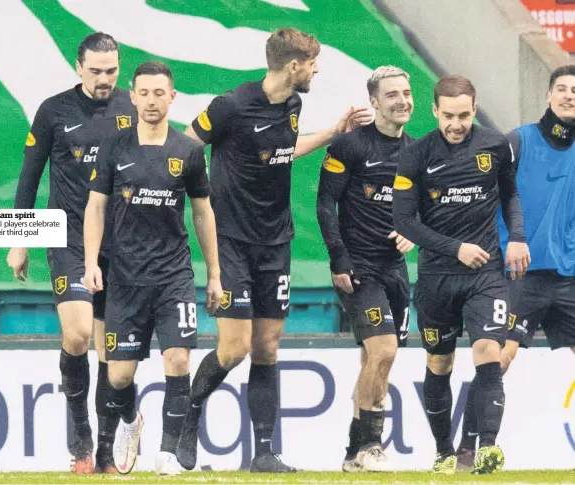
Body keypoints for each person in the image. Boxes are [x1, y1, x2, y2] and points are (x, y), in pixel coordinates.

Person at [175, 27, 372, 473]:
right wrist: (198, 197)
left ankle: (264, 453)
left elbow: (282, 151)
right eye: (314, 61)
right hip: (231, 241)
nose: (318, 68)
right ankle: (189, 419)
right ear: (294, 65)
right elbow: (184, 148)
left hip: (275, 241)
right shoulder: (232, 105)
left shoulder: (294, 104)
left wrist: (331, 133)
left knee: (267, 346)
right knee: (234, 348)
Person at [83, 61, 222, 476]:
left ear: (172, 97)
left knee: (178, 359)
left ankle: (168, 453)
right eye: (143, 93)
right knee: (119, 377)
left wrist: (214, 273)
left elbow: (202, 212)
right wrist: (91, 262)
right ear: (133, 95)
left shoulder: (189, 151)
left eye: (159, 93)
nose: (151, 101)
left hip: (173, 276)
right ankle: (131, 422)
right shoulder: (114, 147)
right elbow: (95, 206)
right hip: (124, 277)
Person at [6, 32, 136, 474]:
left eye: (111, 70)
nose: (104, 79)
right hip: (64, 235)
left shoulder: (132, 107)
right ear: (78, 68)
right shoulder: (52, 110)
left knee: (110, 353)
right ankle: (79, 435)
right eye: (96, 70)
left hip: (120, 243)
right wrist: (18, 239)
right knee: (79, 335)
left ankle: (102, 451)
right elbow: (28, 176)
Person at [392, 75, 530, 474]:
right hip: (437, 277)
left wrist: (516, 237)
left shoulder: (494, 144)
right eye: (448, 115)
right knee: (440, 363)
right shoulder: (415, 156)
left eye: (465, 115)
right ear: (434, 110)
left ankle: (487, 447)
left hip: (485, 272)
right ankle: (443, 450)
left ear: (475, 108)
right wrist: (455, 248)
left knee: (489, 350)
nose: (456, 124)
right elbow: (404, 220)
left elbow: (510, 195)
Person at [456, 65, 575, 469]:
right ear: (548, 96)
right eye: (561, 89)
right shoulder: (519, 141)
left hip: (570, 276)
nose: (568, 96)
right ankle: (469, 448)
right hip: (519, 276)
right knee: (498, 359)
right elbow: (479, 193)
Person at [316, 65, 415, 472]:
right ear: (374, 103)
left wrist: (416, 234)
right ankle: (372, 444)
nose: (402, 100)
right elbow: (325, 204)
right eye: (392, 95)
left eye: (406, 93)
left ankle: (353, 453)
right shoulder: (350, 147)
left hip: (396, 270)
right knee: (383, 350)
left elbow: (424, 210)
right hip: (359, 268)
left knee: (378, 360)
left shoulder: (419, 152)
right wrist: (338, 256)